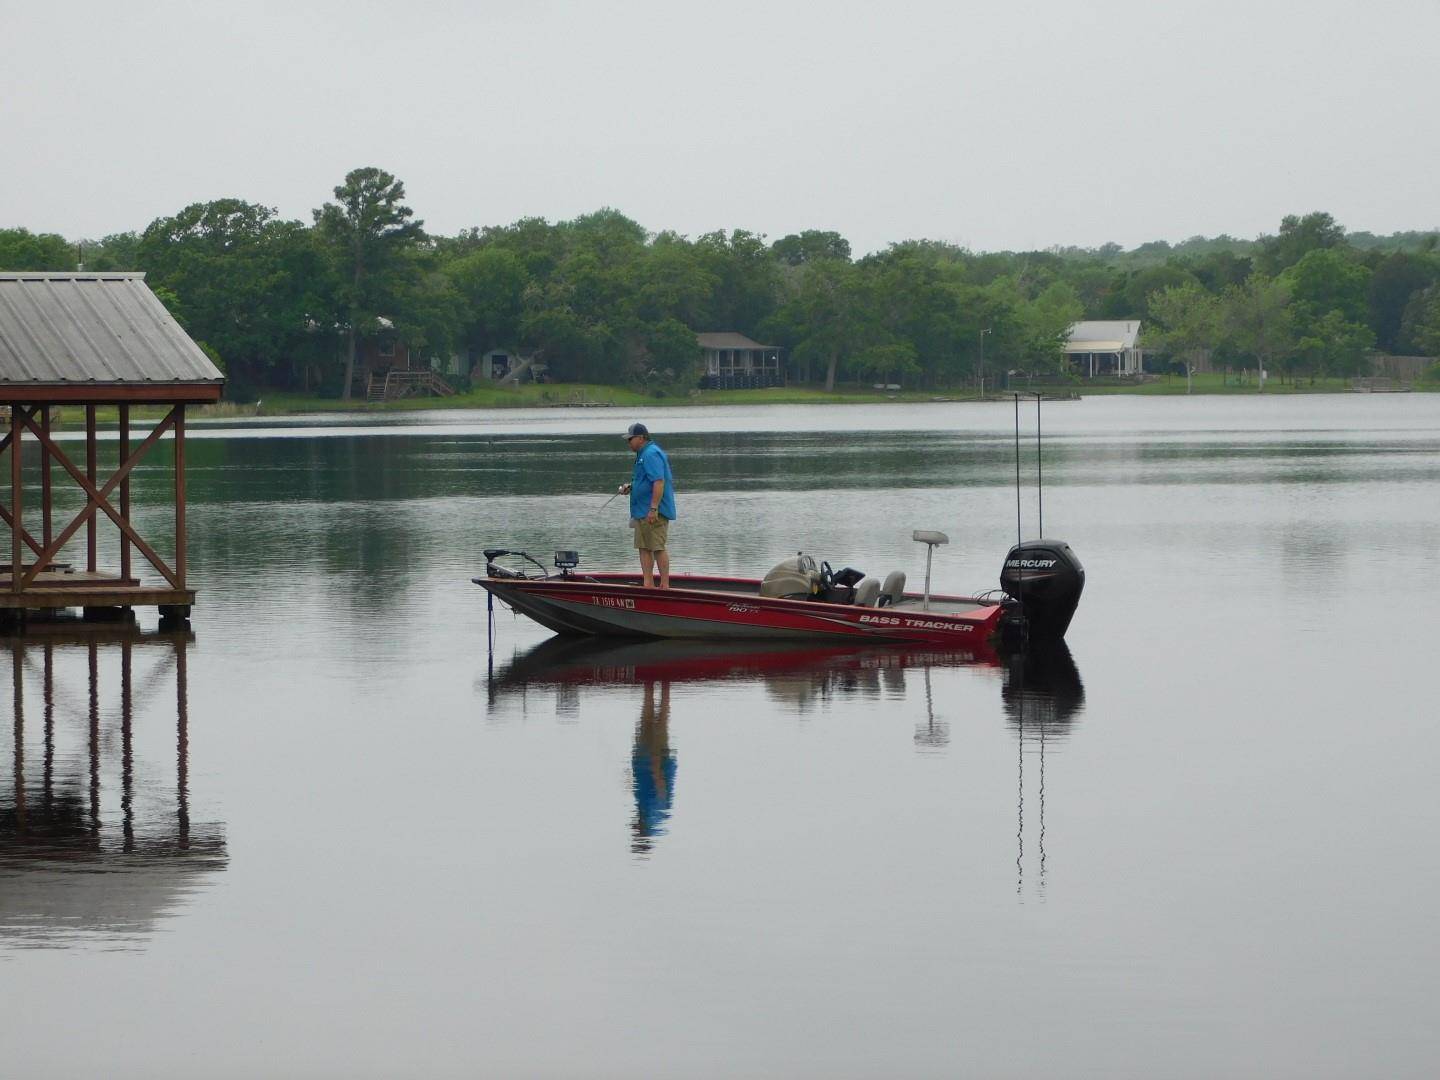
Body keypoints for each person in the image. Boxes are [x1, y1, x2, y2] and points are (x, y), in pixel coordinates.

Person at [618, 422, 676, 588]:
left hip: (653, 512)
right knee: (643, 547)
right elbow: (646, 481)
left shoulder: (651, 454)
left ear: (641, 438)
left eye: (631, 439)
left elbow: (658, 482)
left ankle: (664, 586)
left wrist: (653, 508)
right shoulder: (642, 454)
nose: (628, 442)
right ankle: (648, 584)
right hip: (641, 512)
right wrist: (632, 487)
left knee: (657, 547)